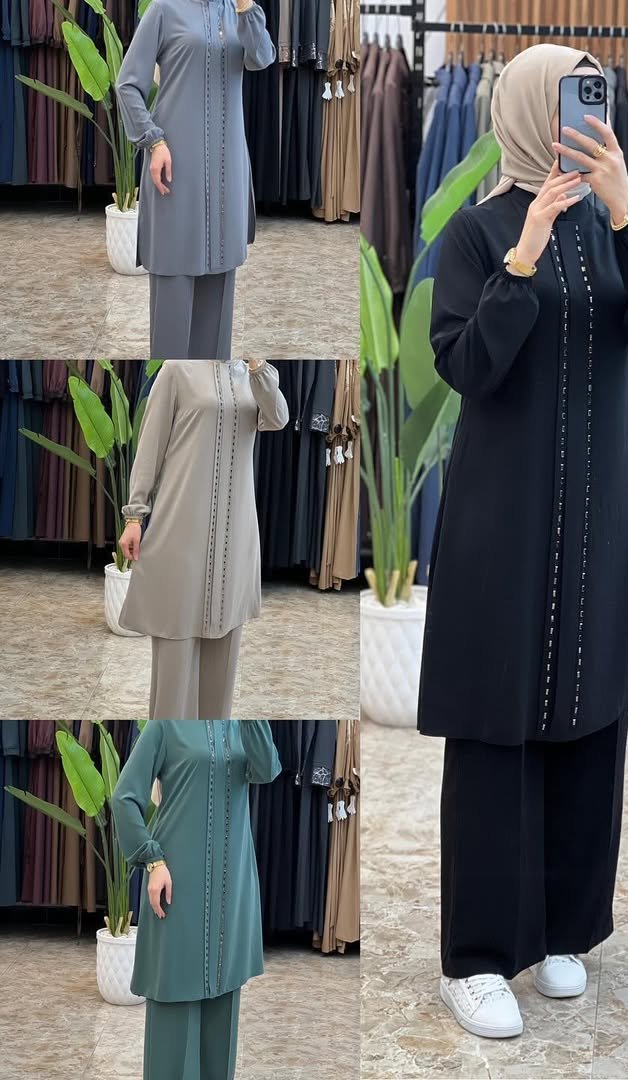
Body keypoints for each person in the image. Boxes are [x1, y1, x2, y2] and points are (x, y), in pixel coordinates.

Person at [414, 43, 628, 1040]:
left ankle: (566, 929)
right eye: (568, 98)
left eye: (594, 98)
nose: (586, 115)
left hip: (603, 515)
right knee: (497, 726)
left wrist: (627, 208)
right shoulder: (478, 231)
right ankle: (477, 957)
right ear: (530, 109)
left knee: (590, 717)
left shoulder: (619, 222)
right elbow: (465, 366)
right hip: (505, 520)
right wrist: (523, 257)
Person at [117, 360, 290, 720]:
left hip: (236, 539)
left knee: (221, 674)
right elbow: (150, 446)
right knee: (174, 665)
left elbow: (278, 418)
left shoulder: (253, 375)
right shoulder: (177, 369)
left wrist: (257, 367)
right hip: (181, 532)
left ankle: (211, 751)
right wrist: (135, 514)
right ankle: (172, 756)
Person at [112, 719, 283, 1080]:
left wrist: (251, 712)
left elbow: (266, 768)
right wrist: (152, 859)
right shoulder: (167, 722)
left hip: (231, 891)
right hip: (176, 886)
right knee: (174, 1004)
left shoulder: (241, 724)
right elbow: (124, 797)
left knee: (223, 1016)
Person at [116, 0, 276, 360]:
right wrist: (153, 141)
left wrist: (246, 8)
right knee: (172, 304)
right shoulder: (164, 9)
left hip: (227, 175)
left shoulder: (239, 11)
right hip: (175, 171)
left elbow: (262, 57)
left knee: (217, 328)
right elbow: (127, 84)